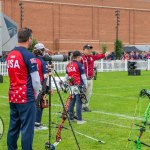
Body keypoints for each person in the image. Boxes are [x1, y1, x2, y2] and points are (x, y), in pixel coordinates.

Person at [6, 27, 41, 150]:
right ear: (29, 39)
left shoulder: (10, 54)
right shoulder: (28, 55)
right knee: (27, 129)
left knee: (13, 127)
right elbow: (36, 81)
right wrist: (37, 92)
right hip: (26, 96)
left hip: (13, 94)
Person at [81, 44, 109, 112]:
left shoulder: (91, 57)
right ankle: (80, 107)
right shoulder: (81, 58)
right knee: (82, 94)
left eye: (90, 49)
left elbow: (97, 56)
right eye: (88, 49)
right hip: (83, 79)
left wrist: (104, 55)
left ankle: (85, 106)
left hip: (90, 78)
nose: (89, 51)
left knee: (89, 93)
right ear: (84, 50)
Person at [66, 50, 87, 124]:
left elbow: (67, 76)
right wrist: (86, 85)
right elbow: (83, 77)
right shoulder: (79, 65)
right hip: (79, 84)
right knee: (79, 102)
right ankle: (79, 119)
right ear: (78, 57)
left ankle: (70, 117)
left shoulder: (68, 65)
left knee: (72, 101)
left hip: (71, 85)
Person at [33, 43, 49, 130]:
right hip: (40, 85)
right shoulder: (42, 61)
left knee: (35, 104)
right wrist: (48, 88)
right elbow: (46, 76)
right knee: (40, 104)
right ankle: (37, 124)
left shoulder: (31, 59)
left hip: (31, 85)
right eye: (43, 50)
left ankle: (35, 123)